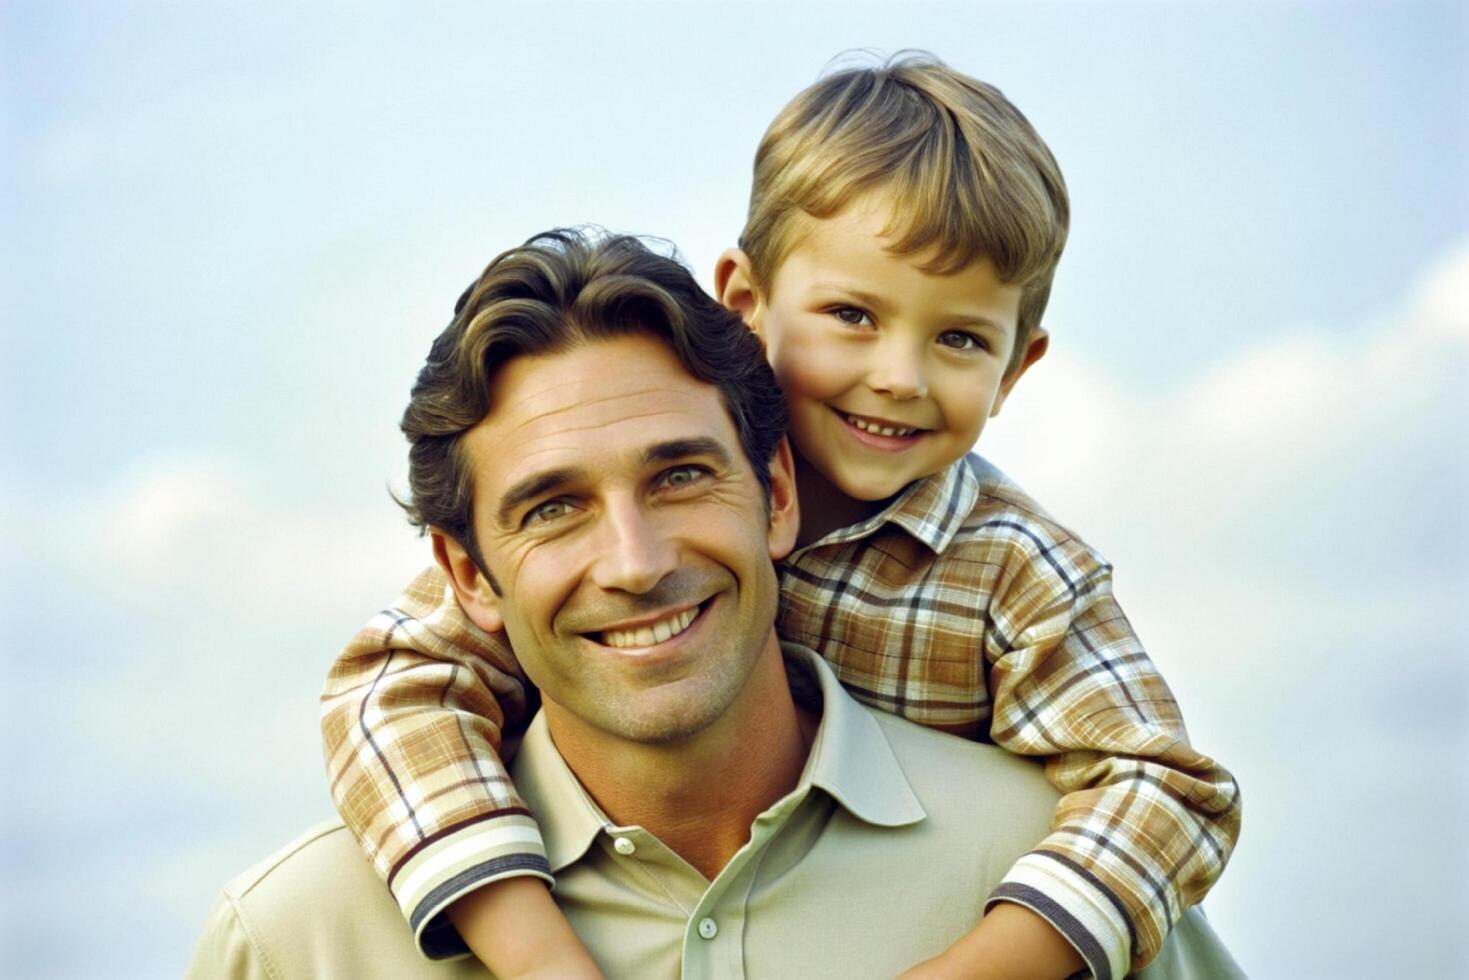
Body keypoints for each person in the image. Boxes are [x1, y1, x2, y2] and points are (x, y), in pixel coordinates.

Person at [323, 56, 1242, 980]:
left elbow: (1164, 786)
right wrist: (540, 959)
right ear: (747, 301)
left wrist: (984, 965)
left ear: (1016, 368)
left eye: (959, 338)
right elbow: (392, 692)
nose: (899, 376)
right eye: (851, 314)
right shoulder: (628, 510)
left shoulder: (1014, 570)